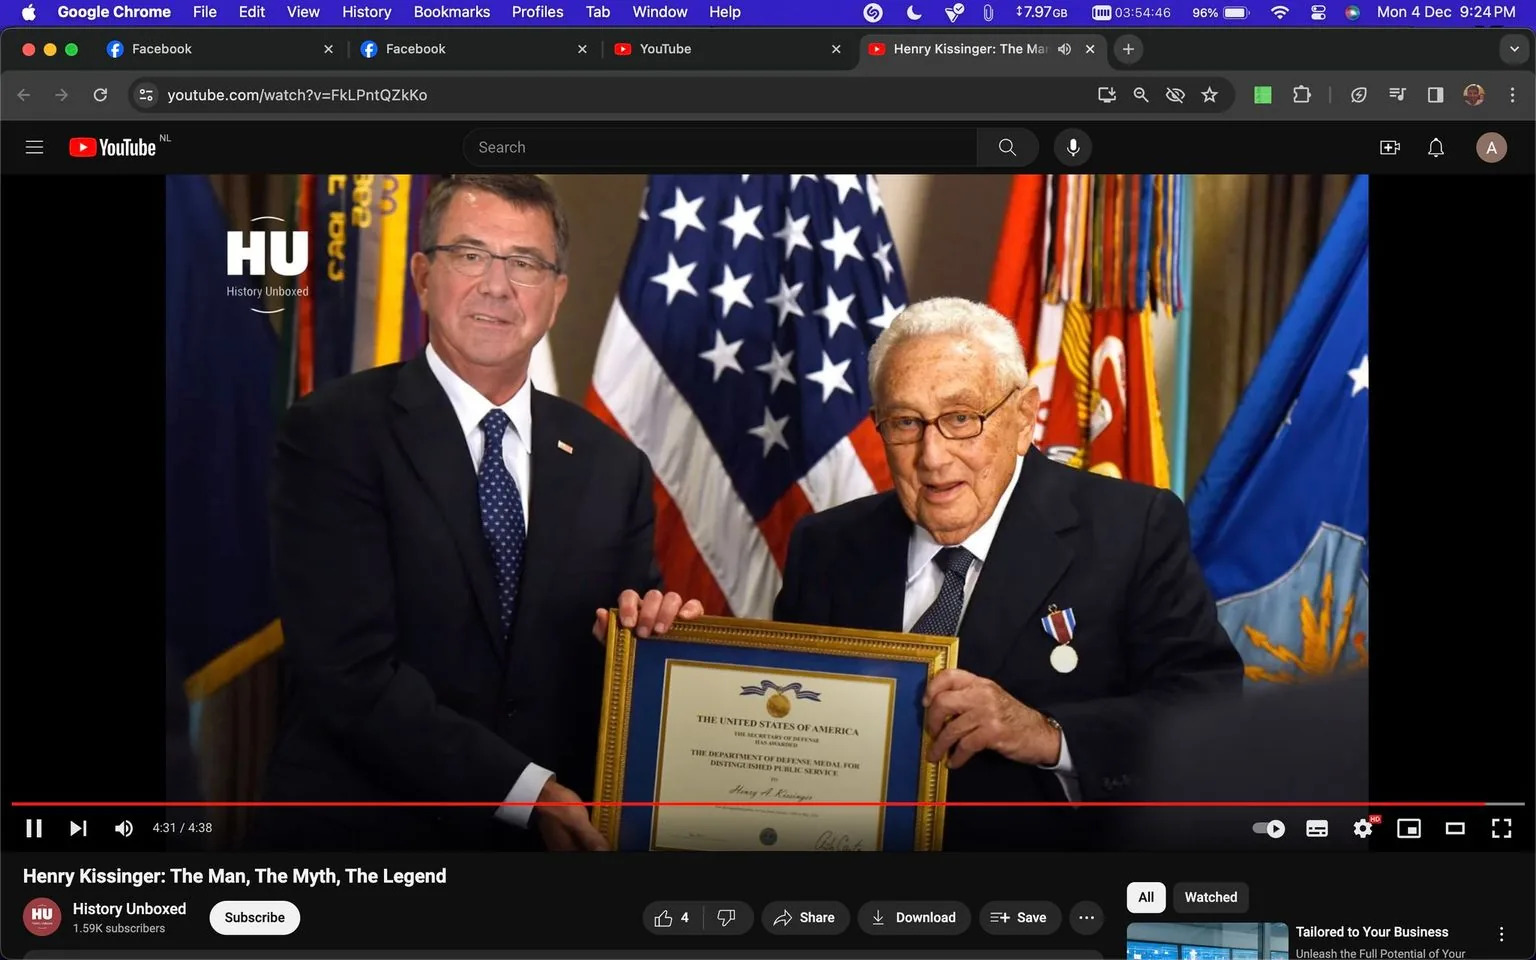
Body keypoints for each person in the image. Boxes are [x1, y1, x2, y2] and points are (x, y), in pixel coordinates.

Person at [253, 174, 700, 852]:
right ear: (422, 276)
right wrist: (526, 793)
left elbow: (615, 654)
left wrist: (653, 641)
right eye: (470, 254)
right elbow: (350, 673)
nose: (497, 285)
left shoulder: (613, 466)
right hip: (367, 842)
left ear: (556, 294)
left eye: (525, 263)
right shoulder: (333, 432)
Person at [772, 297, 1243, 851]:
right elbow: (781, 721)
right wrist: (686, 654)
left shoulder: (1131, 529)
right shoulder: (826, 545)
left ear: (1022, 418)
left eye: (961, 418)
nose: (932, 457)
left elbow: (1205, 708)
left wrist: (1046, 734)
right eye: (905, 423)